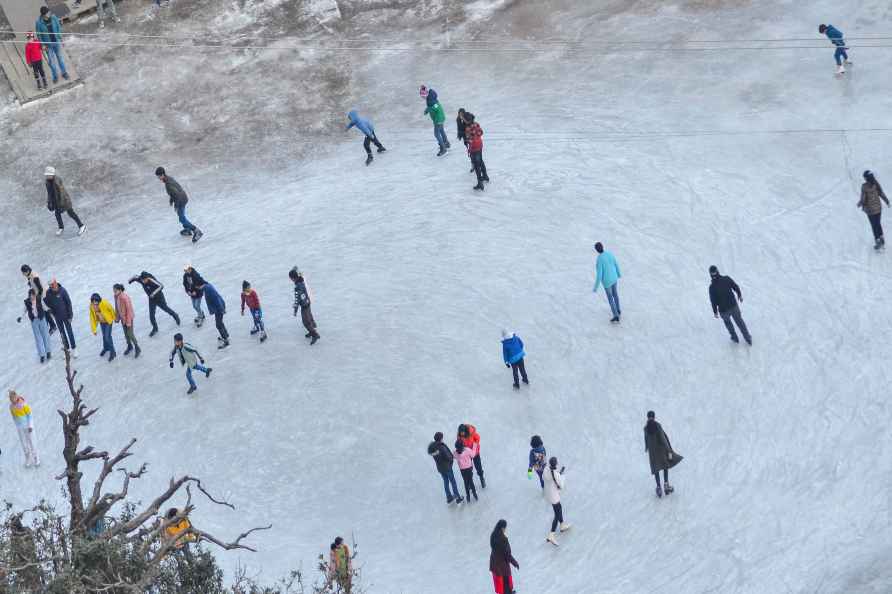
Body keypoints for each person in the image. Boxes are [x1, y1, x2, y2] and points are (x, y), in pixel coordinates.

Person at [155, 167, 203, 242]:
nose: (158, 178)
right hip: (182, 198)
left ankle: (197, 231)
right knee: (181, 215)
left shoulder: (168, 183)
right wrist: (171, 200)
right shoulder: (168, 179)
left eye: (158, 176)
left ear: (162, 175)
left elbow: (177, 194)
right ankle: (187, 229)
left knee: (181, 218)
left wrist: (176, 205)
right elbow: (174, 192)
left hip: (181, 200)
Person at [708, 265, 751, 345]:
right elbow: (735, 286)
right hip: (733, 306)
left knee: (728, 324)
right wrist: (739, 295)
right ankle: (748, 338)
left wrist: (715, 312)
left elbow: (713, 301)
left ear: (710, 274)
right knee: (740, 322)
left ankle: (734, 338)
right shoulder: (726, 279)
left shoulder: (712, 287)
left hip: (723, 311)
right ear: (718, 271)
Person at [128, 271, 181, 337]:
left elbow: (161, 286)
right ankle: (155, 328)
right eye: (142, 280)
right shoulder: (141, 279)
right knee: (151, 315)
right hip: (151, 299)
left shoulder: (151, 280)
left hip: (159, 298)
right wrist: (130, 280)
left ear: (147, 278)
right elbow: (135, 276)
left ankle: (175, 316)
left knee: (166, 309)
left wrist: (153, 293)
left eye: (145, 280)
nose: (143, 281)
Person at [644, 410, 682, 498]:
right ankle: (666, 485)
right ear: (654, 416)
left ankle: (658, 488)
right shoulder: (657, 425)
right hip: (661, 450)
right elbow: (662, 438)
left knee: (656, 468)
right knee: (665, 466)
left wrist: (646, 447)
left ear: (647, 417)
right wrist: (669, 450)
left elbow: (646, 439)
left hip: (653, 453)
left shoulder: (645, 428)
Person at [45, 166, 86, 237]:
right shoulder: (47, 182)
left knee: (71, 213)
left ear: (52, 174)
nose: (47, 176)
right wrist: (49, 203)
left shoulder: (57, 181)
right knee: (57, 214)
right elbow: (49, 193)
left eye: (48, 175)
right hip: (56, 201)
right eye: (46, 175)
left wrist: (61, 203)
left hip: (64, 200)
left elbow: (62, 193)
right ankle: (61, 227)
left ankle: (81, 226)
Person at [35, 7, 68, 84]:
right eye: (48, 13)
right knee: (52, 62)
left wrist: (61, 39)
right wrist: (42, 45)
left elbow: (58, 28)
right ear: (44, 15)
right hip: (48, 46)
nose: (49, 14)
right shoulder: (39, 23)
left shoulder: (54, 18)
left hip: (56, 42)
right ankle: (55, 76)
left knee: (60, 59)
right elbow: (39, 35)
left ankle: (64, 73)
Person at [18, 289, 53, 363]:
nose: (32, 297)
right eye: (30, 296)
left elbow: (44, 306)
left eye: (33, 296)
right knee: (38, 338)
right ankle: (42, 355)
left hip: (42, 319)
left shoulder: (39, 299)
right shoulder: (27, 302)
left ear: (35, 295)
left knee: (45, 335)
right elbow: (24, 311)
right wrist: (20, 317)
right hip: (34, 321)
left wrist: (48, 310)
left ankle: (48, 352)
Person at [858, 170, 890, 250]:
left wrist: (860, 203)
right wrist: (886, 201)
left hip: (870, 210)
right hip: (878, 208)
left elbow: (863, 199)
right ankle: (881, 238)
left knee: (874, 225)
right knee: (878, 224)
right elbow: (881, 193)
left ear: (866, 178)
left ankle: (878, 241)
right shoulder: (876, 183)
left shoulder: (864, 186)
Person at [428, 432, 462, 504]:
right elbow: (448, 456)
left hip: (440, 468)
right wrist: (451, 459)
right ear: (440, 439)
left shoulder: (433, 448)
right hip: (447, 467)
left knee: (445, 482)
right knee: (453, 482)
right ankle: (458, 497)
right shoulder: (441, 447)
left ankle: (449, 497)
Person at [542, 456, 571, 545]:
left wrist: (557, 474)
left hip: (549, 493)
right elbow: (561, 485)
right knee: (557, 514)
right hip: (554, 495)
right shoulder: (555, 474)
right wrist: (561, 475)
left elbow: (548, 477)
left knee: (559, 508)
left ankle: (562, 525)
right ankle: (551, 535)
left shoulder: (546, 469)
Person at [44, 278, 76, 356]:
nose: (52, 286)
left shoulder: (63, 291)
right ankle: (67, 348)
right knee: (62, 333)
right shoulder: (48, 293)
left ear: (55, 283)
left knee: (69, 332)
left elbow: (68, 303)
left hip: (66, 316)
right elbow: (47, 303)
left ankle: (74, 348)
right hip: (57, 317)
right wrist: (51, 312)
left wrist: (70, 315)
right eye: (50, 285)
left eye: (52, 284)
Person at [289, 267, 320, 345]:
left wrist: (295, 310)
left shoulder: (297, 288)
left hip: (304, 305)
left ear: (293, 278)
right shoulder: (301, 280)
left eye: (291, 278)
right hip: (307, 302)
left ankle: (315, 334)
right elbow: (300, 273)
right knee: (309, 316)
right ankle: (312, 329)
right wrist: (295, 269)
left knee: (306, 322)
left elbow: (297, 300)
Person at [21, 265, 55, 333]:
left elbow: (40, 288)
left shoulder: (34, 277)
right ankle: (49, 324)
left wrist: (38, 298)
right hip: (39, 294)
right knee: (43, 310)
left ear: (27, 271)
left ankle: (52, 326)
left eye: (23, 273)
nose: (23, 274)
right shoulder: (30, 275)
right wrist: (30, 283)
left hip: (42, 295)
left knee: (44, 311)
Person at [593, 242, 622, 322]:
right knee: (615, 294)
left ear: (597, 250)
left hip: (607, 282)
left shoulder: (599, 259)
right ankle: (618, 309)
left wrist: (595, 287)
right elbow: (616, 264)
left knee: (610, 298)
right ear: (603, 247)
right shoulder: (610, 254)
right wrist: (619, 274)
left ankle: (616, 315)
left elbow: (599, 275)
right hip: (614, 278)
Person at [9, 390, 39, 467]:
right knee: (24, 444)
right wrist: (17, 426)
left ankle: (36, 458)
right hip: (20, 428)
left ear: (16, 397)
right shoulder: (11, 407)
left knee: (32, 442)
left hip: (28, 427)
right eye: (10, 399)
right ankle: (28, 458)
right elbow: (14, 417)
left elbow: (30, 415)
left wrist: (30, 426)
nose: (12, 400)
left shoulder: (24, 405)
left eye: (13, 398)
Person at [196, 280, 229, 349]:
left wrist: (221, 309)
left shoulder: (208, 290)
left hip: (219, 308)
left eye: (197, 287)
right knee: (220, 322)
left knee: (218, 325)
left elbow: (216, 299)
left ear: (200, 285)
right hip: (218, 307)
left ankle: (226, 340)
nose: (198, 289)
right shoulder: (207, 287)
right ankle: (226, 335)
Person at [489, 519, 518, 594]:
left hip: (495, 564)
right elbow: (507, 554)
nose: (505, 530)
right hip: (502, 566)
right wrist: (515, 563)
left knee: (501, 585)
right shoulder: (503, 539)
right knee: (506, 584)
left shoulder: (493, 535)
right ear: (502, 528)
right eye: (505, 528)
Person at [113, 284, 141, 358]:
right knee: (126, 334)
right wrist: (117, 317)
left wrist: (128, 322)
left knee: (130, 334)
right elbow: (117, 308)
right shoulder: (116, 296)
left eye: (115, 290)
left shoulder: (125, 298)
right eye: (114, 290)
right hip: (122, 318)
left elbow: (129, 310)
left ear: (120, 290)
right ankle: (129, 346)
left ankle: (137, 347)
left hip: (129, 318)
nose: (114, 292)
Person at [420, 85, 449, 156]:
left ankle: (443, 149)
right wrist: (427, 110)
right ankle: (446, 143)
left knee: (436, 134)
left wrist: (428, 110)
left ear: (426, 94)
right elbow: (431, 107)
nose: (422, 97)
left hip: (438, 119)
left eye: (423, 96)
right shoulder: (430, 97)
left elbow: (435, 107)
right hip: (439, 117)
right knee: (441, 130)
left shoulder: (431, 99)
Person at [89, 293, 117, 362]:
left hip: (108, 321)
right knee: (104, 336)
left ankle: (113, 352)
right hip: (102, 322)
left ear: (99, 300)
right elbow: (92, 318)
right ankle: (106, 348)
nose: (95, 304)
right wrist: (94, 329)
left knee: (108, 337)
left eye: (96, 302)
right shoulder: (91, 306)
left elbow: (111, 309)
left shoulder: (104, 303)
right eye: (93, 302)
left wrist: (115, 318)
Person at [464, 112, 489, 190]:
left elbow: (469, 140)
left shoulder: (468, 129)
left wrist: (467, 140)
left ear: (467, 120)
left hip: (474, 148)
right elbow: (481, 132)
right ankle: (485, 176)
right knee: (481, 161)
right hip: (479, 145)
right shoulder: (476, 124)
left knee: (476, 165)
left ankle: (480, 183)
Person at [457, 423, 485, 488]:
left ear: (465, 431)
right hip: (467, 454)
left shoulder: (471, 432)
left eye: (462, 432)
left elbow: (477, 438)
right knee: (469, 468)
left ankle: (482, 478)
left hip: (475, 452)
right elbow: (459, 443)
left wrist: (474, 446)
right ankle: (470, 483)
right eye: (460, 433)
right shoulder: (459, 436)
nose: (462, 434)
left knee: (478, 466)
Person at [454, 439, 479, 503]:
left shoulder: (455, 453)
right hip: (469, 468)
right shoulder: (467, 450)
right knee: (471, 481)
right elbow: (473, 455)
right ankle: (475, 495)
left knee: (465, 482)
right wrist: (474, 445)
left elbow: (455, 457)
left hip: (462, 469)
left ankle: (468, 496)